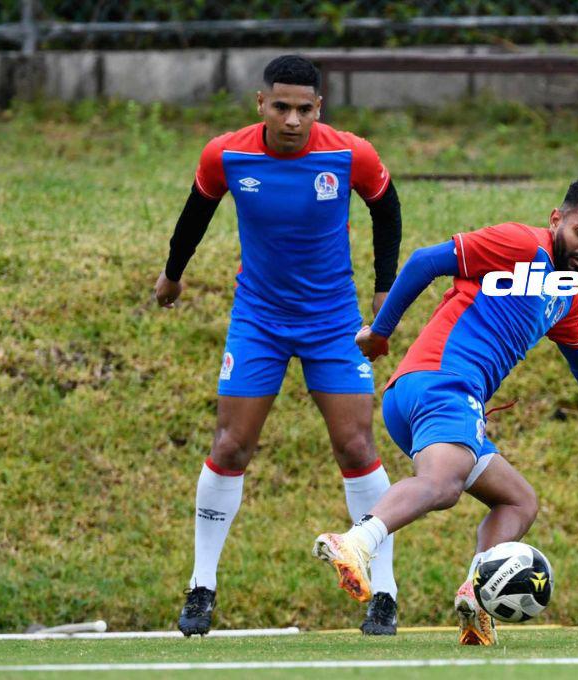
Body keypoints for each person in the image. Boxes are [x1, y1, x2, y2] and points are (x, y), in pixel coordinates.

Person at [311, 176, 578, 645]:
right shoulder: (521, 244)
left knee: (518, 500)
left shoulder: (565, 291)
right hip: (443, 385)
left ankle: (475, 597)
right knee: (442, 486)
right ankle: (357, 542)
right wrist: (381, 332)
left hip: (432, 397)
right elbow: (426, 261)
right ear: (556, 220)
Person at [154, 55, 404, 636]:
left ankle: (384, 594)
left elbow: (386, 210)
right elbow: (197, 210)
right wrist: (173, 273)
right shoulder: (226, 154)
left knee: (355, 445)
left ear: (320, 109)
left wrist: (384, 298)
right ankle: (201, 586)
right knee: (232, 445)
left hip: (333, 321)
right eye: (282, 106)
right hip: (258, 321)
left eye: (305, 109)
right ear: (260, 104)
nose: (293, 119)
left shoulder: (350, 154)